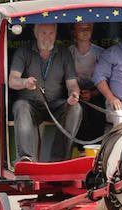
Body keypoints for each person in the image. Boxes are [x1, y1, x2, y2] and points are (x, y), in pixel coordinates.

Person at [9, 23, 82, 162]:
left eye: (51, 33)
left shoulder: (64, 53)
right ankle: (26, 159)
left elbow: (72, 84)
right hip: (30, 105)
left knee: (75, 108)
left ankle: (59, 160)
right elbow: (12, 80)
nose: (47, 37)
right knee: (20, 106)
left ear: (56, 34)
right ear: (35, 33)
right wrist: (25, 82)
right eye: (43, 33)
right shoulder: (23, 52)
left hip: (54, 105)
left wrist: (74, 95)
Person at [69, 23, 105, 147]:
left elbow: (106, 79)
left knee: (98, 111)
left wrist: (93, 93)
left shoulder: (100, 53)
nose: (85, 32)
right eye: (81, 29)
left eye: (88, 29)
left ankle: (97, 149)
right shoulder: (69, 52)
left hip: (96, 92)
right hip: (74, 94)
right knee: (78, 111)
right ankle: (79, 149)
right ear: (74, 32)